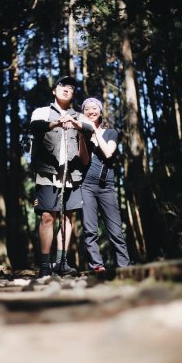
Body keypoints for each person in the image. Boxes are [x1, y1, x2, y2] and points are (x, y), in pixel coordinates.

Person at [29, 76, 93, 277]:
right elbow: (35, 127)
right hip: (48, 171)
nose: (67, 89)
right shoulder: (42, 111)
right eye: (62, 86)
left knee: (68, 217)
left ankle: (61, 262)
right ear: (54, 90)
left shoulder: (79, 116)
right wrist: (56, 123)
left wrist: (75, 124)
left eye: (71, 87)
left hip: (72, 174)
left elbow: (90, 129)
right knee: (48, 217)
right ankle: (45, 265)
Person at [79, 97, 131, 272]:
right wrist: (84, 136)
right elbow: (82, 160)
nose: (91, 111)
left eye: (94, 108)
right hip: (86, 185)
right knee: (90, 229)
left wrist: (94, 132)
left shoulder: (111, 132)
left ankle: (124, 266)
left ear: (101, 112)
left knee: (115, 229)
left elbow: (108, 153)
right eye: (87, 109)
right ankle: (96, 266)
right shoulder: (82, 135)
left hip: (106, 186)